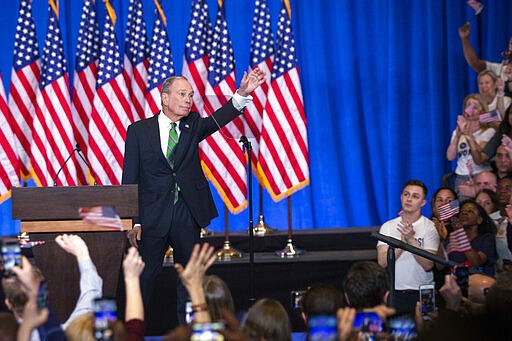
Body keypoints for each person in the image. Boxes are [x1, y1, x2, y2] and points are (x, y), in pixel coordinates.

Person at [121, 68, 266, 324]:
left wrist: (242, 94)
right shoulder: (138, 131)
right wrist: (135, 221)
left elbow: (218, 118)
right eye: (182, 94)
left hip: (187, 213)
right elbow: (130, 179)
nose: (188, 99)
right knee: (145, 278)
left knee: (189, 280)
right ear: (164, 98)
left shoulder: (193, 125)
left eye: (190, 95)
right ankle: (135, 329)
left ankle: (190, 331)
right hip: (151, 218)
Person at [377, 180, 440, 315]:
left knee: (428, 333)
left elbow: (428, 265)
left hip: (425, 291)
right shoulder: (388, 227)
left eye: (415, 196)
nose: (409, 199)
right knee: (398, 334)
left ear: (423, 203)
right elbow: (382, 262)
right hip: (395, 292)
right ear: (401, 197)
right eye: (406, 194)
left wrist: (411, 239)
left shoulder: (430, 228)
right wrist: (402, 241)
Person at [446, 94, 495, 199]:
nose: (470, 110)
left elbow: (482, 155)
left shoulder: (488, 131)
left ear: (482, 111)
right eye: (468, 106)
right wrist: (457, 136)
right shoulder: (457, 132)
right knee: (462, 207)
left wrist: (469, 135)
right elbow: (450, 156)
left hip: (481, 175)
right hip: (462, 176)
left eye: (475, 107)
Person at [444, 200, 497, 276]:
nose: (464, 213)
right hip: (456, 285)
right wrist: (440, 239)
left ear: (479, 220)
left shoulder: (487, 239)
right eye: (462, 211)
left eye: (470, 211)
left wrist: (460, 234)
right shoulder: (452, 240)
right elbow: (440, 266)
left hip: (479, 285)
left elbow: (477, 262)